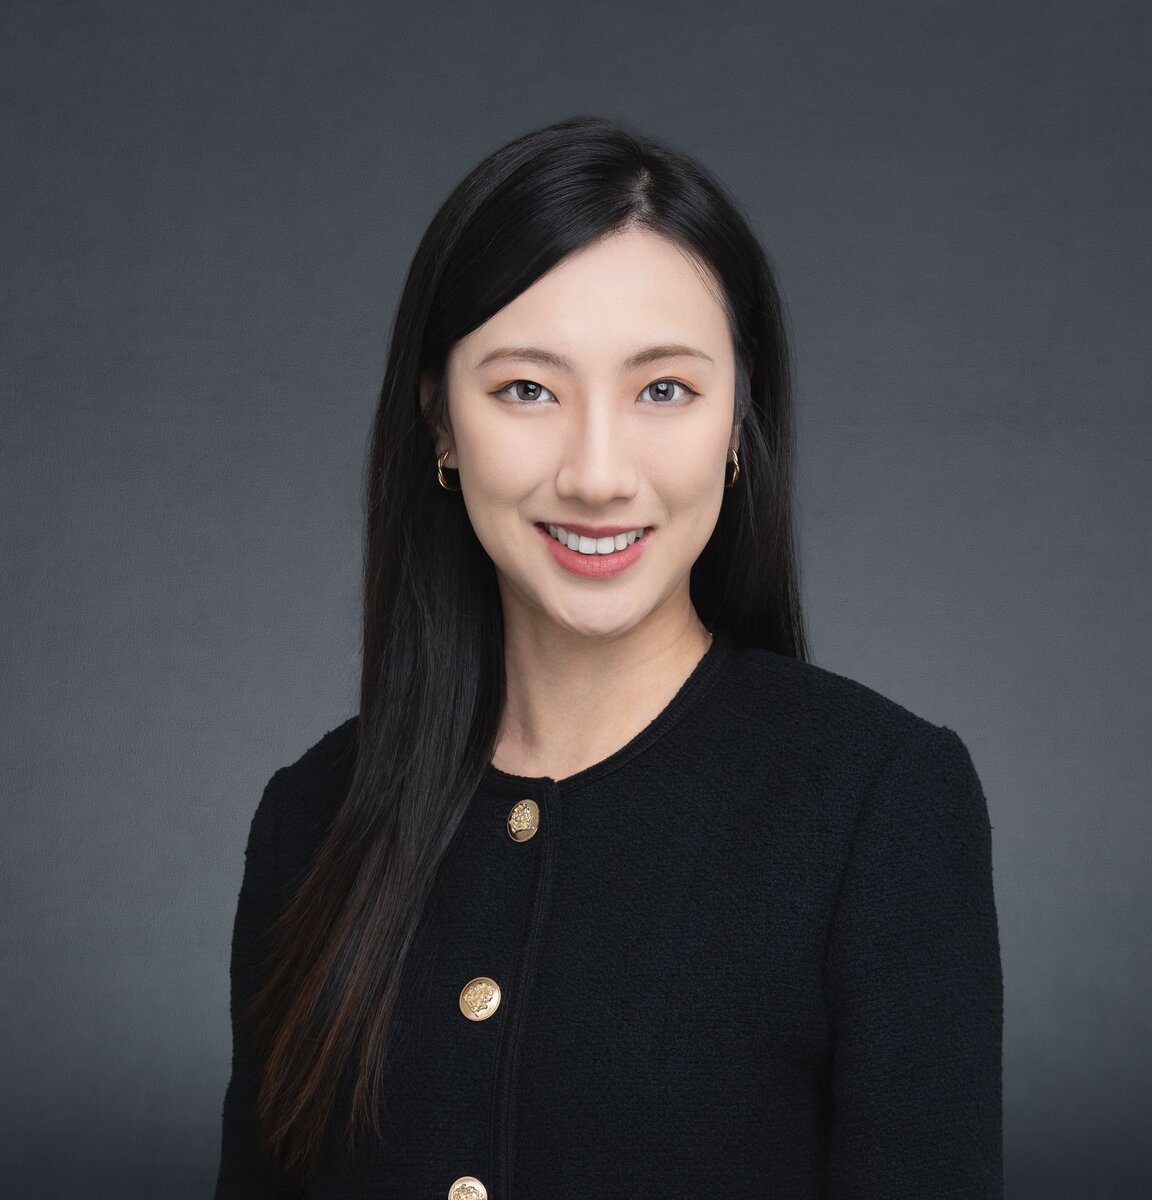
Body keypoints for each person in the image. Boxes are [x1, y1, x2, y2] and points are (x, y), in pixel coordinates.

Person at [212, 115, 1003, 1199]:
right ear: (439, 420)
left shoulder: (879, 803)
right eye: (526, 389)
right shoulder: (310, 818)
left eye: (663, 390)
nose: (596, 475)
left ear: (741, 415)